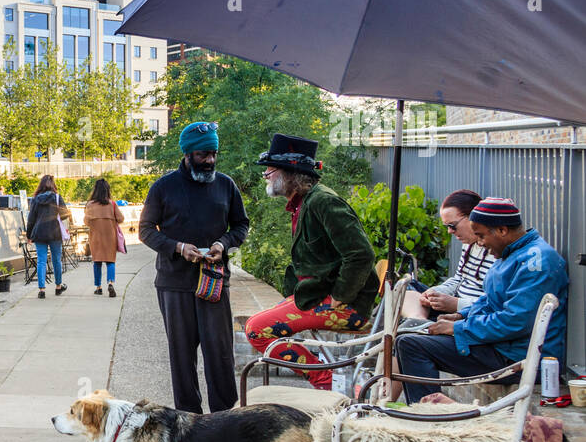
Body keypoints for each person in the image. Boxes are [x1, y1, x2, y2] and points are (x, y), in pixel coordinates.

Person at [394, 198, 569, 404]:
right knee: (407, 337)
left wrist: (458, 328)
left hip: (517, 359)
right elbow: (489, 299)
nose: (479, 243)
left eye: (481, 235)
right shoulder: (511, 253)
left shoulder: (536, 262)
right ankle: (426, 410)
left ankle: (429, 418)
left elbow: (516, 321)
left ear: (502, 230)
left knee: (411, 345)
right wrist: (461, 315)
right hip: (499, 346)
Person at [244, 134, 378, 390]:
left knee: (256, 329)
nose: (266, 176)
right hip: (317, 295)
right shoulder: (304, 203)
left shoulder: (323, 201)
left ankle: (327, 383)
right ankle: (327, 377)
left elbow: (361, 254)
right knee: (261, 322)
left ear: (290, 173)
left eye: (270, 170)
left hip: (348, 307)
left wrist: (341, 295)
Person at [139, 121, 250, 412]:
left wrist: (223, 245)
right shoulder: (163, 187)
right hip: (174, 284)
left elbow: (241, 225)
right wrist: (178, 247)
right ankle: (189, 423)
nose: (210, 160)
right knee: (182, 357)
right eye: (203, 155)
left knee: (220, 355)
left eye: (213, 153)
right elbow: (146, 230)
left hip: (213, 281)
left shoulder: (226, 185)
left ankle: (225, 421)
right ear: (187, 155)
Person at [419, 189, 494, 314]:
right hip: (457, 306)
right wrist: (435, 292)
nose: (450, 231)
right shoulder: (468, 243)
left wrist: (456, 304)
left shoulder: (498, 250)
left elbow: (495, 304)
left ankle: (418, 325)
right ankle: (418, 321)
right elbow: (459, 279)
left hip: (472, 313)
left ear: (473, 217)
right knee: (408, 293)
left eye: (452, 225)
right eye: (447, 226)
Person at [26, 175, 68, 299]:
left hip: (39, 233)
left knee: (41, 261)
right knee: (56, 260)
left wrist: (29, 235)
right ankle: (58, 287)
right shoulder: (56, 197)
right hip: (54, 232)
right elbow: (65, 214)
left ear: (41, 185)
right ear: (52, 185)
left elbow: (31, 219)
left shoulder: (35, 200)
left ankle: (42, 290)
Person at [83, 178, 125, 297]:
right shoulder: (112, 204)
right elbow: (121, 219)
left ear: (95, 190)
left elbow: (86, 221)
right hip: (110, 237)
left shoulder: (90, 205)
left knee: (97, 262)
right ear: (107, 190)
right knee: (110, 261)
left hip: (95, 237)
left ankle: (98, 287)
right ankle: (110, 283)